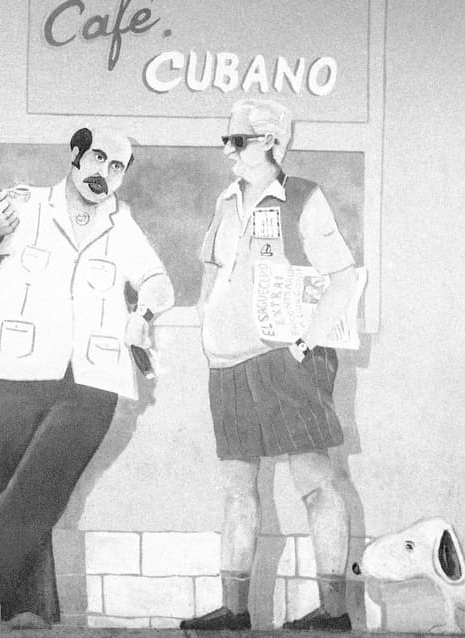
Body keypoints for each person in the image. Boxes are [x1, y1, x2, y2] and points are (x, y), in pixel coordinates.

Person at [0, 126, 174, 628]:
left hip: (93, 375)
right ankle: (29, 609)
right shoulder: (27, 203)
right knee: (9, 486)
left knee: (41, 484)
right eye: (98, 158)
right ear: (75, 156)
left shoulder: (123, 224)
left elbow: (159, 281)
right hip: (14, 366)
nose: (105, 173)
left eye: (117, 166)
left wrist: (143, 309)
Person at [182, 99, 360, 632]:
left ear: (269, 142)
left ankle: (333, 614)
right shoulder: (225, 200)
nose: (227, 151)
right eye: (227, 140)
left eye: (236, 141)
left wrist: (306, 343)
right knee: (238, 488)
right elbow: (211, 275)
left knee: (316, 483)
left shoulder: (304, 197)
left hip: (284, 363)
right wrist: (207, 328)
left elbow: (344, 278)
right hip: (229, 365)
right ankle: (234, 613)